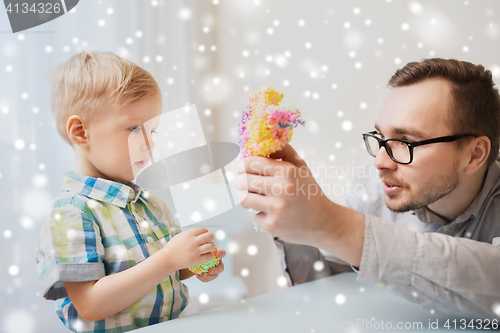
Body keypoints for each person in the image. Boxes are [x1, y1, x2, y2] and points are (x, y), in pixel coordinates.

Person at [234, 58, 500, 319]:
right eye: (381, 138)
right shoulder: (372, 190)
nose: (380, 162)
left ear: (475, 154)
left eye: (406, 142)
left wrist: (338, 225)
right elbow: (328, 286)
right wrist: (297, 229)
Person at [35, 51, 226, 332]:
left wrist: (192, 265)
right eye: (134, 128)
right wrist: (168, 259)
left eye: (153, 130)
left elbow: (159, 274)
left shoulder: (151, 204)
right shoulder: (71, 214)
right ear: (80, 132)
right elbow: (90, 304)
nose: (149, 143)